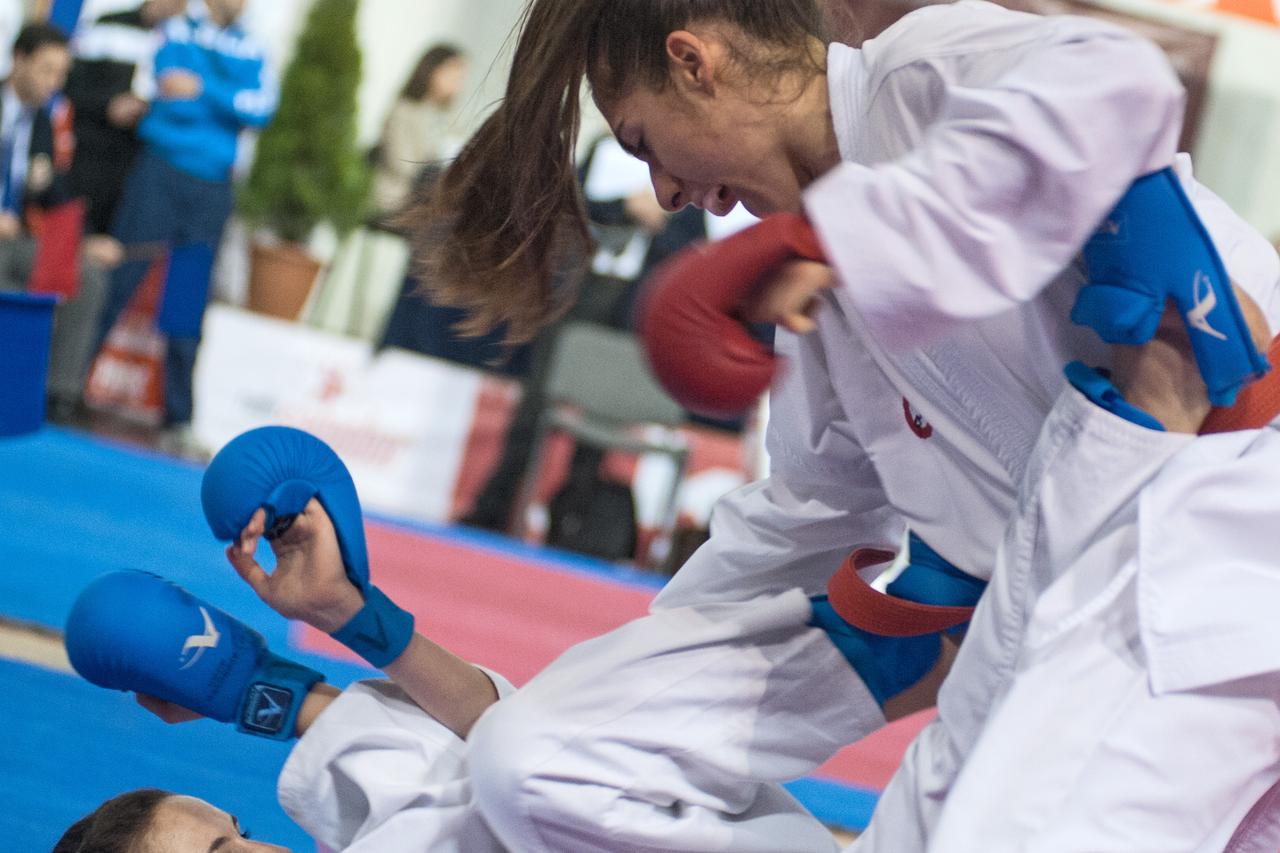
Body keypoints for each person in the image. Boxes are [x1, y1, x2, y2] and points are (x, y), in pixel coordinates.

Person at [406, 0, 1280, 850]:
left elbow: (1119, 82)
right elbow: (809, 511)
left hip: (1219, 542)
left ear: (693, 62)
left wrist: (835, 241)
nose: (668, 191)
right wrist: (626, 689)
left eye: (644, 143)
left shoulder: (914, 74)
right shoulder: (816, 289)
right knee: (534, 762)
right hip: (1048, 609)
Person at [88, 0, 275, 456]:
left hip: (210, 189)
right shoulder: (175, 29)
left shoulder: (253, 46)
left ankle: (178, 419)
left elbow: (260, 108)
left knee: (186, 307)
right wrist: (224, 98)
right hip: (159, 173)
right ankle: (61, 386)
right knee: (117, 283)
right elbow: (164, 90)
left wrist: (205, 88)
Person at [48, 0, 186, 422]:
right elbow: (70, 88)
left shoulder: (183, 44)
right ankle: (42, 380)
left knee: (102, 282)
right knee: (62, 273)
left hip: (136, 182)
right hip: (84, 171)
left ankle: (67, 388)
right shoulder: (107, 26)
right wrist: (110, 106)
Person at [0, 21, 72, 294]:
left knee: (86, 276)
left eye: (61, 74)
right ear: (19, 59)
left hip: (18, 237)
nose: (54, 83)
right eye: (47, 70)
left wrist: (86, 241)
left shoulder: (42, 123)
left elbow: (57, 197)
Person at [369, 43, 466, 222]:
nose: (457, 83)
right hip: (399, 195)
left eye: (459, 78)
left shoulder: (446, 119)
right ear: (432, 70)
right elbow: (402, 165)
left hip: (431, 198)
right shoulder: (404, 111)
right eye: (451, 74)